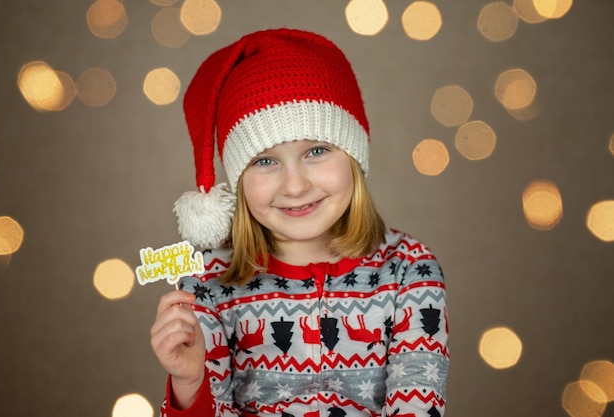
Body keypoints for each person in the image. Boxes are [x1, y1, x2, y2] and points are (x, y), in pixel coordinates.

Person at [150, 28, 449, 417]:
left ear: (355, 158)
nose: (294, 185)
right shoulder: (209, 282)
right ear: (238, 179)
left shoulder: (410, 271)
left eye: (317, 151)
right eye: (265, 161)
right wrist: (190, 385)